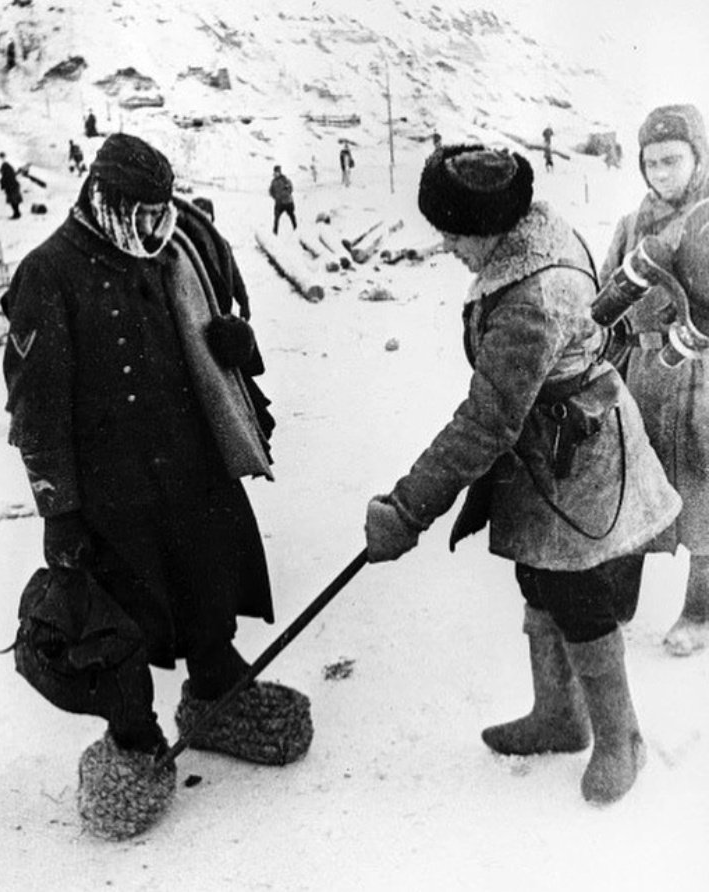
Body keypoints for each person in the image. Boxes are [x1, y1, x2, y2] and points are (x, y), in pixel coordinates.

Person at [2, 133, 312, 839]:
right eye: (141, 214)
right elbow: (35, 411)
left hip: (190, 463)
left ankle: (215, 682)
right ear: (107, 202)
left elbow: (203, 329)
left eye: (159, 212)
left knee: (211, 575)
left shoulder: (171, 249)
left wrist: (235, 346)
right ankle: (133, 733)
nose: (155, 226)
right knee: (125, 616)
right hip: (110, 490)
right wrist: (59, 511)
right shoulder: (48, 273)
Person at [364, 144, 681, 805]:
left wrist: (407, 508)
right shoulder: (528, 238)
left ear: (490, 227)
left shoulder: (534, 298)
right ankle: (560, 716)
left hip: (578, 461)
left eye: (455, 233)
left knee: (577, 593)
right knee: (536, 577)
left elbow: (485, 422)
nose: (448, 246)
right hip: (543, 448)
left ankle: (621, 739)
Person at [600, 104, 709, 657]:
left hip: (705, 383)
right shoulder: (630, 226)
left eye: (673, 160)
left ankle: (699, 613)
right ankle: (616, 605)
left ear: (699, 158)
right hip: (644, 378)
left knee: (705, 498)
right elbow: (603, 304)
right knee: (633, 491)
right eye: (652, 163)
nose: (661, 173)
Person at [268, 164, 297, 235]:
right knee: (276, 218)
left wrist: (285, 194)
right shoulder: (273, 182)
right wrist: (275, 197)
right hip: (279, 203)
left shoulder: (285, 180)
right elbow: (271, 191)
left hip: (288, 202)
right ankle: (275, 233)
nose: (276, 173)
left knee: (292, 216)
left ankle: (296, 231)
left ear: (280, 172)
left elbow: (290, 188)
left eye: (277, 172)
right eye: (275, 172)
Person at [0, 152, 22, 219]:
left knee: (13, 201)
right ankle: (17, 213)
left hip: (11, 187)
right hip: (14, 186)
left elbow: (4, 179)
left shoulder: (6, 172)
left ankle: (16, 214)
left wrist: (2, 185)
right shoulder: (10, 171)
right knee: (15, 201)